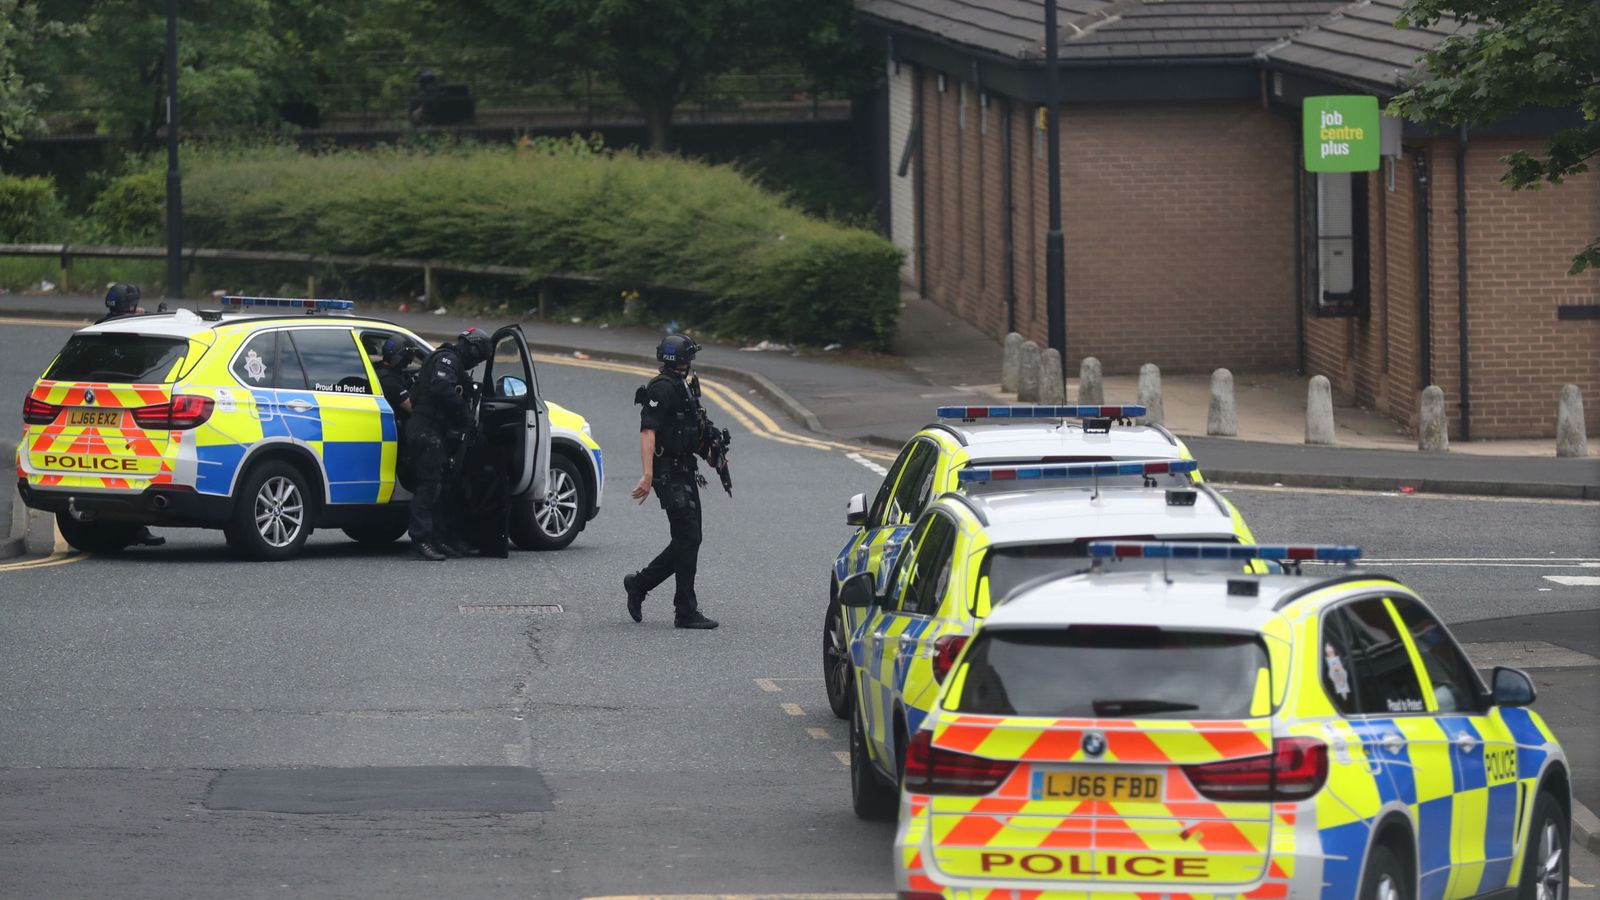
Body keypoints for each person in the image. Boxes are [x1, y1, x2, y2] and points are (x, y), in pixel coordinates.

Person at [623, 334, 719, 630]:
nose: (691, 363)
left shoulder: (684, 387)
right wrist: (648, 474)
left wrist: (712, 449)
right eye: (689, 357)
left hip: (684, 470)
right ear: (681, 360)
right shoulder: (662, 388)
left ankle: (640, 585)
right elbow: (647, 432)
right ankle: (684, 609)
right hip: (667, 473)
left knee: (689, 539)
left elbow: (692, 427)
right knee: (688, 538)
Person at [407, 328, 492, 561]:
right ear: (472, 348)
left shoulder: (453, 363)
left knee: (443, 488)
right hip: (425, 429)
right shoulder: (448, 359)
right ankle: (420, 540)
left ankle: (441, 539)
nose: (477, 361)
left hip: (435, 431)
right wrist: (463, 415)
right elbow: (441, 387)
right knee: (429, 485)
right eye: (479, 356)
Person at [97, 283, 165, 547]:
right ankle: (134, 528)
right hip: (124, 409)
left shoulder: (99, 327)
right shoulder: (135, 330)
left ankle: (106, 526)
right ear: (130, 305)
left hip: (99, 408)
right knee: (129, 470)